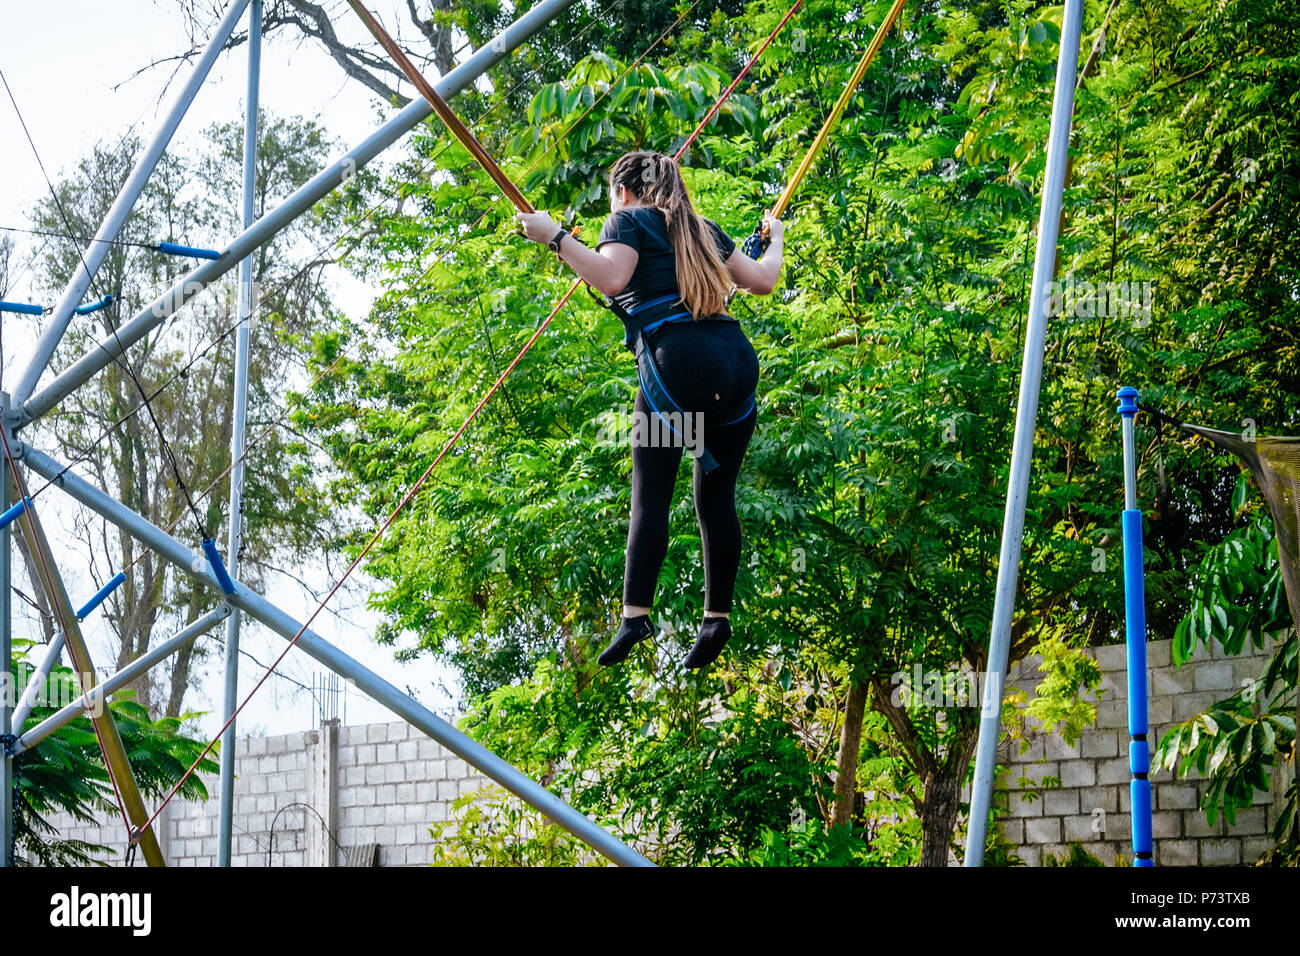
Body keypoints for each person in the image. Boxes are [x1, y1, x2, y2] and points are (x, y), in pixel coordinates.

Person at [517, 150, 784, 668]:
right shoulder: (702, 229)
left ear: (622, 191)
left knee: (652, 497)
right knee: (716, 498)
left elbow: (612, 278)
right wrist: (777, 241)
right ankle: (716, 618)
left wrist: (555, 236)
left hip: (678, 366)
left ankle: (636, 616)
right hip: (735, 365)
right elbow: (764, 280)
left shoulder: (627, 220)